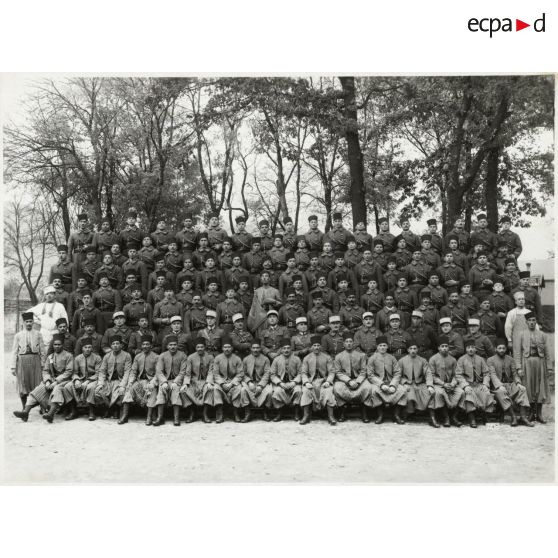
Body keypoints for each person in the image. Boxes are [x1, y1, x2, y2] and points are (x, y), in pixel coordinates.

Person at [14, 333, 73, 423]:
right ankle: (25, 412)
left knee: (57, 389)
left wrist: (56, 382)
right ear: (52, 345)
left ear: (62, 345)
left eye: (59, 344)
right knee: (39, 389)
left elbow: (68, 372)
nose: (57, 346)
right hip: (51, 380)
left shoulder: (68, 356)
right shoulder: (50, 357)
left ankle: (50, 414)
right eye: (55, 344)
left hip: (64, 381)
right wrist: (48, 381)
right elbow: (45, 371)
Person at [513, 312, 552, 424]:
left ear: (536, 322)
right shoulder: (521, 334)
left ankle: (539, 414)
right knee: (528, 387)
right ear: (526, 322)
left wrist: (549, 367)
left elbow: (547, 352)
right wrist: (519, 367)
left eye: (533, 320)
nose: (531, 322)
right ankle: (530, 413)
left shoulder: (542, 335)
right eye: (529, 320)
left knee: (540, 388)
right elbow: (517, 352)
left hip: (540, 362)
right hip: (527, 362)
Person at [487, 339, 534, 427]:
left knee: (522, 389)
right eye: (499, 348)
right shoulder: (490, 360)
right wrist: (499, 386)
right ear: (495, 349)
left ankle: (523, 417)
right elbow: (492, 374)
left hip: (510, 384)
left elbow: (515, 374)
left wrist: (518, 383)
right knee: (501, 393)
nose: (501, 350)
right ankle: (513, 417)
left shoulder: (510, 359)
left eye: (503, 348)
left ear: (506, 349)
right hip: (497, 386)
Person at [333, 332, 374, 422]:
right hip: (344, 380)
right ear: (343, 344)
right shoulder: (338, 356)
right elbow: (338, 372)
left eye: (350, 341)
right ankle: (343, 411)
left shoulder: (361, 355)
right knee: (337, 388)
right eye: (346, 342)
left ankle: (364, 411)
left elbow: (364, 371)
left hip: (359, 378)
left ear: (353, 343)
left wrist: (358, 381)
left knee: (367, 387)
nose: (349, 343)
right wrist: (348, 381)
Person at [366, 336, 407, 424]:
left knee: (402, 390)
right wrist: (381, 384)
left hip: (391, 382)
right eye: (380, 345)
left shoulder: (392, 358)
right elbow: (370, 375)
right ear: (377, 347)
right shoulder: (372, 358)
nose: (382, 347)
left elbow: (397, 373)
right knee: (373, 391)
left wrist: (393, 385)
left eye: (384, 345)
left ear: (387, 347)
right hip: (378, 383)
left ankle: (396, 415)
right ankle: (380, 415)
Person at [455, 338, 495, 428]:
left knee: (486, 393)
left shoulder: (481, 359)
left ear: (475, 349)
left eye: (472, 347)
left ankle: (485, 416)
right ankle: (471, 417)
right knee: (468, 394)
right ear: (466, 349)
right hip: (468, 384)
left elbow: (486, 373)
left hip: (478, 384)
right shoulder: (461, 360)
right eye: (468, 347)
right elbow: (458, 375)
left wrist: (485, 384)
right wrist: (465, 386)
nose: (471, 349)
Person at [121, 334, 159, 425]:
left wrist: (153, 382)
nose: (145, 346)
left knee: (152, 391)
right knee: (129, 390)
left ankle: (149, 416)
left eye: (147, 344)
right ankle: (125, 415)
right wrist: (130, 382)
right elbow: (133, 371)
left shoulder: (156, 357)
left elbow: (159, 373)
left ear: (151, 346)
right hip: (140, 380)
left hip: (151, 381)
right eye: (143, 344)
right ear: (141, 346)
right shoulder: (138, 357)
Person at [11, 311, 45, 409]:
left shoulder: (38, 334)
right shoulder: (18, 335)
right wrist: (13, 367)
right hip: (22, 361)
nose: (29, 323)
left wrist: (43, 364)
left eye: (30, 321)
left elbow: (42, 351)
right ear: (23, 322)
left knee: (38, 384)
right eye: (27, 322)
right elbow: (14, 352)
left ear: (33, 322)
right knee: (23, 384)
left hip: (35, 360)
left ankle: (42, 407)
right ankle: (24, 407)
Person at [300, 336, 337, 425]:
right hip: (311, 381)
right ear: (311, 347)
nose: (316, 347)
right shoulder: (307, 358)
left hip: (324, 380)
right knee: (305, 391)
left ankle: (330, 416)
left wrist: (328, 381)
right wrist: (306, 382)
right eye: (314, 345)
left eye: (318, 345)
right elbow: (303, 373)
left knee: (328, 391)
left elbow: (332, 371)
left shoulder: (327, 357)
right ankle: (306, 415)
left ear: (320, 346)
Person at [95, 334, 133, 420]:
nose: (115, 346)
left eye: (117, 343)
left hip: (120, 380)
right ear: (111, 346)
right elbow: (102, 371)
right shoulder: (107, 356)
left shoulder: (127, 355)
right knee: (98, 391)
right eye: (113, 344)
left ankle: (117, 410)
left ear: (121, 345)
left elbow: (127, 372)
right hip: (109, 381)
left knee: (121, 391)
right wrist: (100, 383)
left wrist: (123, 385)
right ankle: (108, 409)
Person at [63, 337, 102, 421]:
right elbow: (74, 372)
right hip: (80, 379)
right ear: (82, 348)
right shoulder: (77, 358)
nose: (87, 349)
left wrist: (88, 381)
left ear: (92, 348)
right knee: (67, 387)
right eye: (85, 347)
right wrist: (76, 380)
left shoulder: (97, 358)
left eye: (89, 347)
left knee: (90, 387)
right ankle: (73, 411)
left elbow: (98, 373)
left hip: (93, 380)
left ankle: (91, 411)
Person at [398, 341, 436, 426]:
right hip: (408, 384)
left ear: (417, 349)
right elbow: (398, 375)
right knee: (410, 396)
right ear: (408, 350)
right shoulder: (402, 361)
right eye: (411, 348)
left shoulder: (422, 360)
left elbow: (428, 373)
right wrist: (404, 383)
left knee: (430, 393)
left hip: (420, 384)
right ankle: (407, 414)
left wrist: (430, 385)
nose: (413, 350)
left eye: (415, 348)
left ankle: (432, 418)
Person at [153, 335, 187, 426]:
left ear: (177, 345)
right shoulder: (162, 356)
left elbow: (183, 371)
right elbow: (159, 371)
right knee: (161, 390)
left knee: (175, 390)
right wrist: (164, 382)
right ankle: (160, 417)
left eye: (174, 345)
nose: (172, 347)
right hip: (165, 380)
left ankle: (176, 418)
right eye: (170, 345)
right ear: (167, 346)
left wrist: (176, 382)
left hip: (176, 381)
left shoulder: (183, 355)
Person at [429, 336, 463, 427]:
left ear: (449, 347)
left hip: (451, 384)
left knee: (461, 392)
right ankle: (446, 417)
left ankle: (454, 417)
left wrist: (452, 384)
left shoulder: (453, 359)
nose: (444, 348)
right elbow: (431, 375)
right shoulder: (433, 359)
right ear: (438, 348)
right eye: (442, 346)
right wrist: (443, 384)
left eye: (446, 346)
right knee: (439, 393)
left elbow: (457, 374)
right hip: (438, 384)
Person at [180, 337, 215, 423]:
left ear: (205, 347)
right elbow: (187, 373)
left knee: (210, 390)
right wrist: (185, 384)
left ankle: (205, 414)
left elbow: (211, 371)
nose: (200, 349)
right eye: (198, 347)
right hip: (194, 381)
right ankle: (192, 413)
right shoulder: (190, 357)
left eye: (202, 347)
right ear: (195, 348)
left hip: (205, 381)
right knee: (184, 391)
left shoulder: (210, 357)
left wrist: (209, 382)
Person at [270, 338, 303, 421]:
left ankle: (296, 413)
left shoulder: (297, 359)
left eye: (288, 348)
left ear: (291, 349)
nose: (286, 350)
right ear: (281, 350)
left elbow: (301, 373)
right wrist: (280, 383)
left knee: (298, 391)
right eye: (284, 348)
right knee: (277, 392)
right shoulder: (276, 360)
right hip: (281, 383)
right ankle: (279, 413)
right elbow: (272, 375)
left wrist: (294, 382)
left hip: (293, 382)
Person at [27, 285, 69, 350]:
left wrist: (65, 331)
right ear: (45, 296)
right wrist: (38, 321)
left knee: (56, 350)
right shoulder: (41, 306)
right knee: (44, 350)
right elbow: (28, 313)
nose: (49, 296)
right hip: (44, 332)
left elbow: (65, 320)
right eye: (47, 294)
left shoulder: (60, 306)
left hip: (56, 332)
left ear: (54, 295)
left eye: (51, 294)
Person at [243, 339, 273, 421]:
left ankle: (265, 412)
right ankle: (247, 412)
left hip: (262, 382)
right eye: (253, 348)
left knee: (269, 392)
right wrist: (249, 382)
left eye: (257, 348)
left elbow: (267, 373)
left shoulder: (266, 359)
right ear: (251, 349)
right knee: (243, 390)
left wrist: (260, 385)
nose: (255, 350)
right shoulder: (246, 359)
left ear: (260, 348)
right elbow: (243, 373)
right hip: (250, 382)